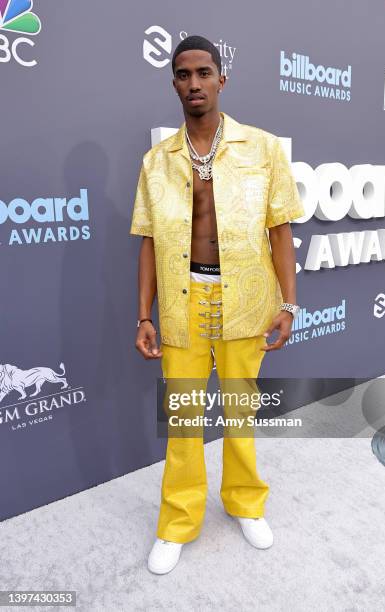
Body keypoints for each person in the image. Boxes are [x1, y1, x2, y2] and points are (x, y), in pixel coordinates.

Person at [130, 35, 304, 575]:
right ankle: (178, 521)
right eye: (183, 75)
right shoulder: (158, 161)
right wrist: (143, 314)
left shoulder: (263, 148)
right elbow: (150, 241)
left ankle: (246, 502)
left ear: (221, 79)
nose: (194, 83)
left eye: (204, 72)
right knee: (183, 421)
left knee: (240, 412)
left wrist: (289, 305)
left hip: (247, 301)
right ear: (174, 84)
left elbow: (280, 229)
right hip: (183, 303)